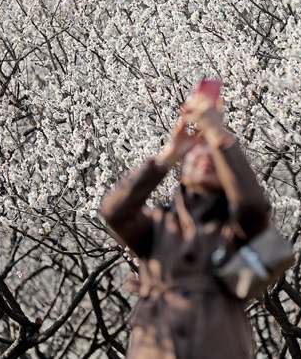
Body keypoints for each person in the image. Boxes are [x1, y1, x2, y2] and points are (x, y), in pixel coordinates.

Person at [99, 90, 270, 359]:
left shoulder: (235, 230)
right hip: (155, 346)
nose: (205, 157)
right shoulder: (156, 226)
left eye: (213, 156)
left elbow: (252, 207)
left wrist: (218, 136)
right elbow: (114, 212)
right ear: (183, 169)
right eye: (195, 154)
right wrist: (167, 155)